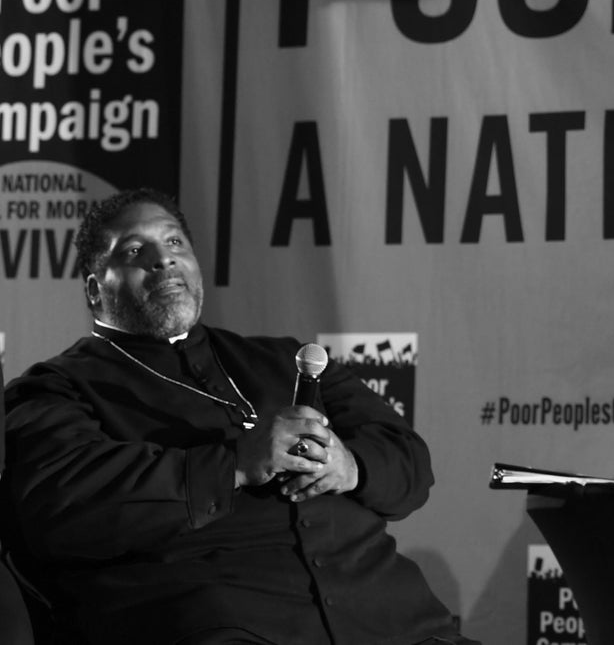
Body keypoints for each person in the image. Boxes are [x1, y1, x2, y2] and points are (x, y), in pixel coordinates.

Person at [3, 188, 475, 645]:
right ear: (94, 289)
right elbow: (65, 507)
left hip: (395, 624)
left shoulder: (287, 360)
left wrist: (351, 467)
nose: (163, 258)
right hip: (224, 625)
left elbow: (410, 463)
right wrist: (235, 464)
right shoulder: (55, 389)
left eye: (174, 243)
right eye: (133, 249)